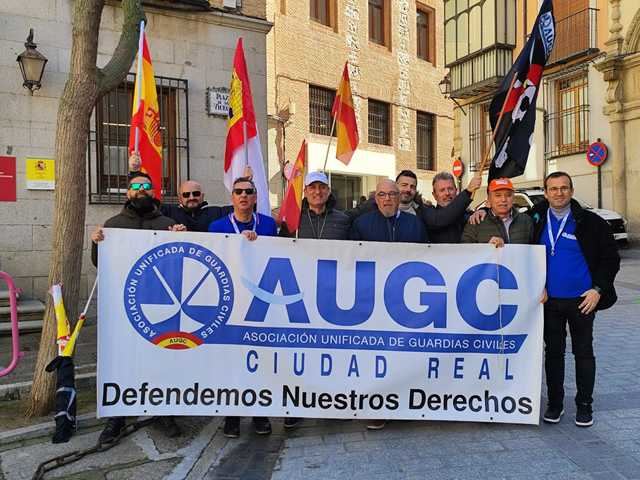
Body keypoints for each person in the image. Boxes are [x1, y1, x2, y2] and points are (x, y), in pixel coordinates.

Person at [90, 173, 184, 443]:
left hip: (161, 307)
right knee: (121, 360)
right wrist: (96, 242)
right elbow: (101, 263)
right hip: (123, 307)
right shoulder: (113, 225)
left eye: (146, 186)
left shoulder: (169, 224)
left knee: (162, 359)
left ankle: (163, 410)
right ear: (127, 192)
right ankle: (116, 417)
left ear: (153, 191)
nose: (141, 190)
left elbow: (180, 262)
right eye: (136, 186)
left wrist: (182, 236)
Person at [532, 172, 620, 427]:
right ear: (546, 192)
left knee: (583, 353)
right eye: (553, 189)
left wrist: (598, 289)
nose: (559, 193)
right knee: (554, 354)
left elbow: (610, 258)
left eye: (563, 188)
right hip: (548, 301)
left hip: (583, 300)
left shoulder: (590, 221)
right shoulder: (535, 219)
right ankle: (555, 404)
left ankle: (584, 406)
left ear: (571, 191)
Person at [349, 179, 425, 430]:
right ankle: (377, 407)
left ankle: (404, 404)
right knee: (377, 358)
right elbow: (351, 263)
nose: (388, 199)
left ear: (399, 197)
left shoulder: (414, 224)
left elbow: (428, 257)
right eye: (382, 194)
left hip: (406, 302)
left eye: (392, 194)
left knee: (404, 355)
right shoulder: (361, 225)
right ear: (375, 198)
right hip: (372, 303)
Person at [208, 176, 276, 437]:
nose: (244, 196)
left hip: (260, 301)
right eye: (239, 192)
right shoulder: (217, 226)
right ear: (232, 197)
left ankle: (259, 413)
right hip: (230, 300)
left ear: (256, 197)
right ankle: (232, 416)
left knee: (257, 358)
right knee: (232, 358)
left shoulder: (268, 224)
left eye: (249, 191)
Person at [348, 170, 481, 241]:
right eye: (404, 185)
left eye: (412, 186)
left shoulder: (422, 209)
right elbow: (346, 218)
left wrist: (483, 210)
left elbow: (441, 218)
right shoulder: (372, 206)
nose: (408, 189)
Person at [461, 178, 533, 246]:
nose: (503, 199)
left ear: (513, 198)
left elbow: (535, 252)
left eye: (508, 195)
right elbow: (466, 253)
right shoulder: (475, 222)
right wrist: (487, 249)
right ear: (489, 199)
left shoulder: (526, 221)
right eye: (498, 195)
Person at [279, 171, 350, 240]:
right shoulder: (292, 219)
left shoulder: (343, 220)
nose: (318, 192)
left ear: (328, 191)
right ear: (305, 192)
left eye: (322, 187)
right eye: (312, 187)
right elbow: (281, 247)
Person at [161, 180, 233, 232]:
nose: (191, 198)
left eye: (196, 194)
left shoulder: (217, 212)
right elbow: (151, 210)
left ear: (202, 196)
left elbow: (240, 209)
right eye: (186, 195)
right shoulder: (169, 211)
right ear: (180, 198)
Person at [427, 172, 475, 243]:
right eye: (442, 190)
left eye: (450, 189)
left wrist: (483, 210)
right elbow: (444, 217)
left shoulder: (469, 216)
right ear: (434, 195)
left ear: (456, 190)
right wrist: (468, 191)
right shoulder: (430, 216)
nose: (447, 193)